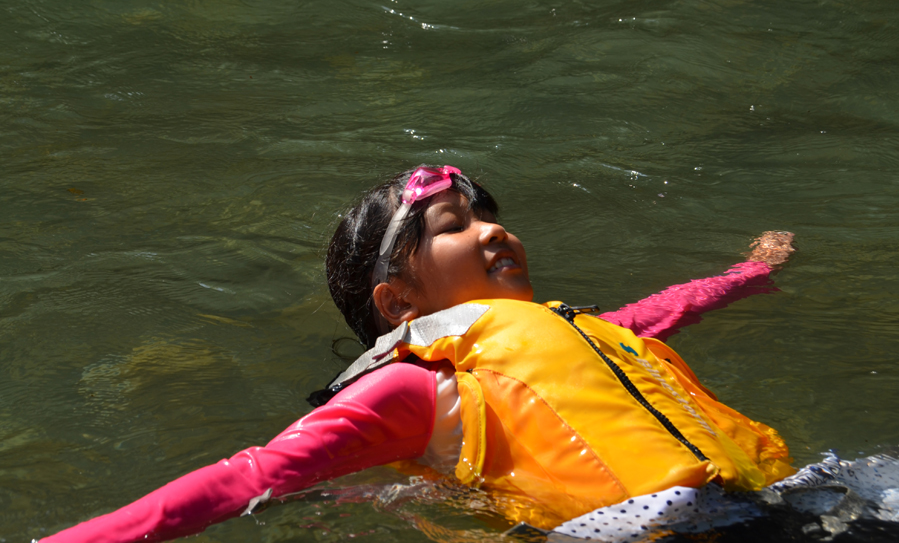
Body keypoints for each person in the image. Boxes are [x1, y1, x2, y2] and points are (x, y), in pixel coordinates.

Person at [43, 166, 796, 543]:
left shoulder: (580, 333)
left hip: (784, 502)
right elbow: (247, 477)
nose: (493, 231)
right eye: (453, 225)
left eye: (492, 217)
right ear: (398, 304)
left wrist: (746, 274)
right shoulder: (410, 391)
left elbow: (660, 313)